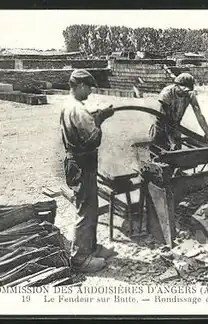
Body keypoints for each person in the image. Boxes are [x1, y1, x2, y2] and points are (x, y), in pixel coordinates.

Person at [60, 69, 116, 273]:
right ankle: (80, 257)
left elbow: (81, 127)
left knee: (90, 206)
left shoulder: (70, 106)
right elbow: (93, 138)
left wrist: (97, 116)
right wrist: (101, 120)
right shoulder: (78, 109)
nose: (90, 92)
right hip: (83, 163)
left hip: (78, 162)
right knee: (85, 209)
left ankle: (91, 247)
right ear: (81, 86)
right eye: (89, 87)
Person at [149, 73, 208, 154]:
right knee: (159, 154)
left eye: (187, 91)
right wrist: (171, 141)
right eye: (183, 90)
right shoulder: (166, 94)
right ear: (176, 85)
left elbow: (199, 116)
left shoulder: (190, 94)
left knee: (177, 156)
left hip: (176, 126)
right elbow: (164, 120)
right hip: (161, 126)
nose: (185, 93)